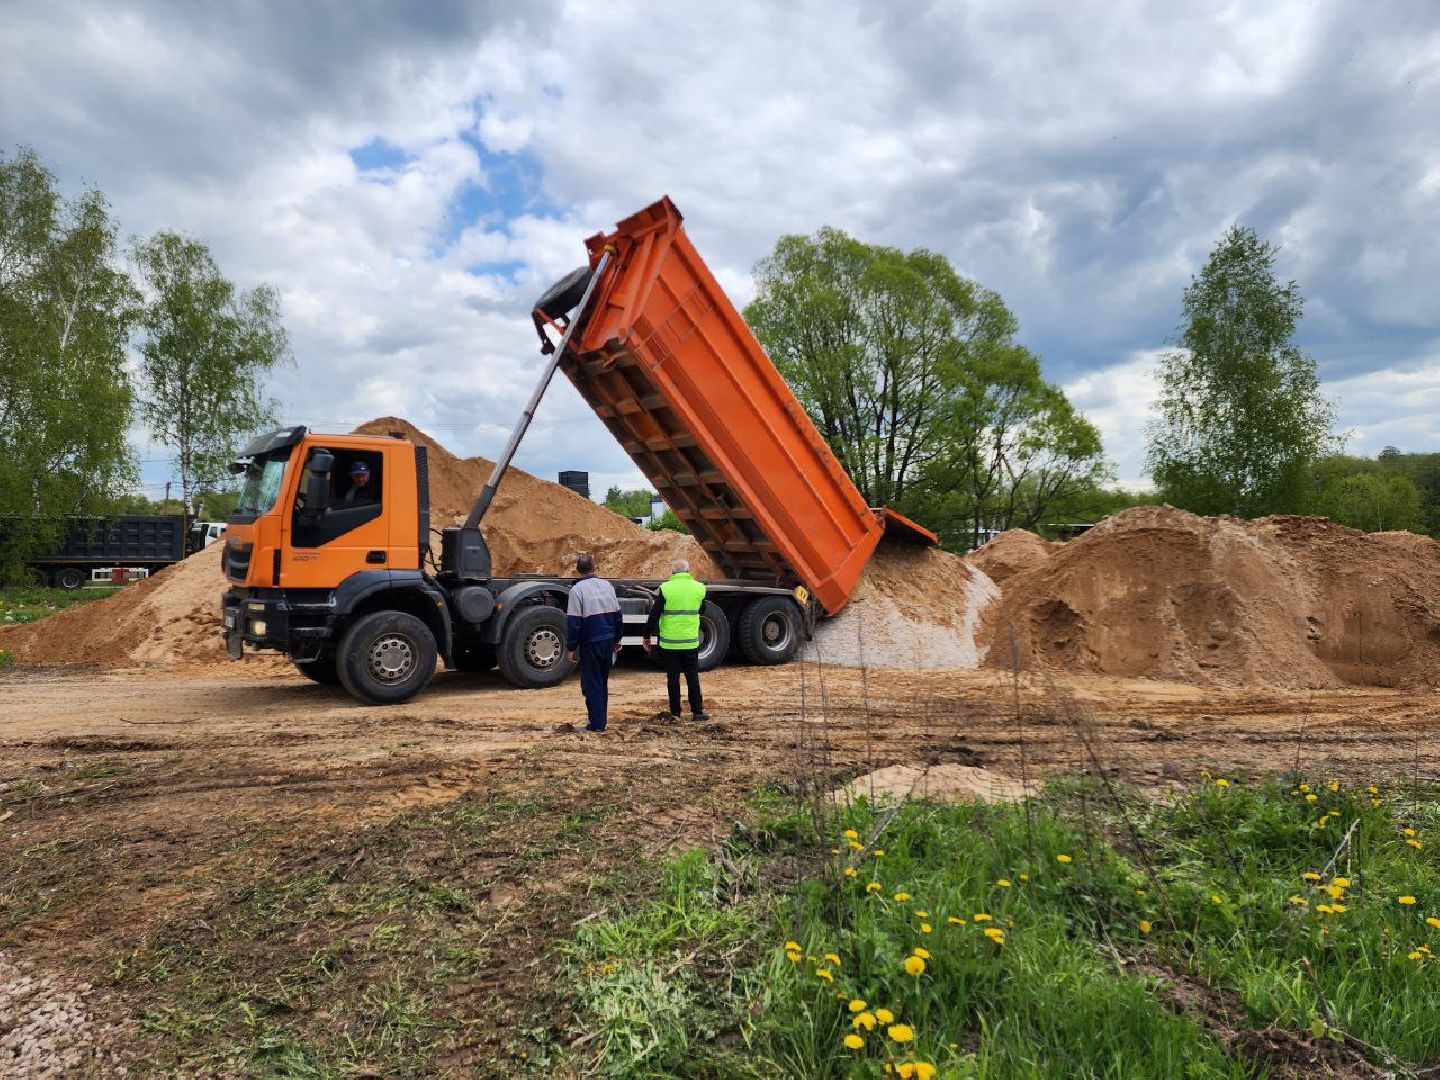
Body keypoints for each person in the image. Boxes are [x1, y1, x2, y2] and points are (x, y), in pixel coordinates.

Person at [561, 552, 623, 733]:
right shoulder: (607, 586)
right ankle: (601, 720)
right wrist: (618, 638)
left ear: (577, 570)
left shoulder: (577, 590)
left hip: (590, 642)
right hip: (607, 639)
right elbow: (617, 614)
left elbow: (574, 622)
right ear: (595, 568)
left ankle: (597, 724)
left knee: (591, 684)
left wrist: (571, 647)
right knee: (601, 682)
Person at [643, 558, 710, 722]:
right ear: (688, 571)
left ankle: (675, 713)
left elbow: (654, 614)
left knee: (673, 678)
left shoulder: (666, 588)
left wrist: (646, 635)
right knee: (692, 676)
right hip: (690, 642)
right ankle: (697, 712)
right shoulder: (699, 588)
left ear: (672, 573)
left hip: (669, 643)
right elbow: (702, 608)